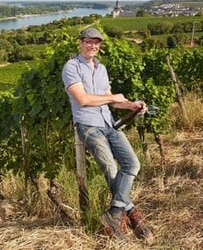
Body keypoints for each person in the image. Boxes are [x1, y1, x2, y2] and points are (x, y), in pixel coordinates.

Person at [61, 27, 154, 244]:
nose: (92, 45)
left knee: (132, 164)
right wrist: (111, 97)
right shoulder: (71, 67)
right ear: (80, 42)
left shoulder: (101, 69)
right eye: (88, 41)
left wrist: (132, 105)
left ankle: (114, 213)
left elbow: (110, 99)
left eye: (96, 42)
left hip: (109, 123)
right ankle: (132, 215)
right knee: (111, 170)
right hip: (88, 125)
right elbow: (82, 99)